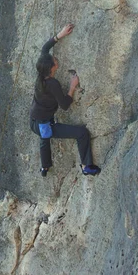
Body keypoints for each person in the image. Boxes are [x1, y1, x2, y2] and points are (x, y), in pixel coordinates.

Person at [29, 23, 101, 177]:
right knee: (81, 133)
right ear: (52, 68)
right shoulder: (52, 84)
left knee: (44, 137)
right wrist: (72, 87)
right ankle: (86, 166)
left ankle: (45, 167)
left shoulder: (40, 76)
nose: (56, 60)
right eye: (55, 61)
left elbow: (44, 49)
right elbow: (65, 105)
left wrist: (59, 35)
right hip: (43, 124)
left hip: (34, 121)